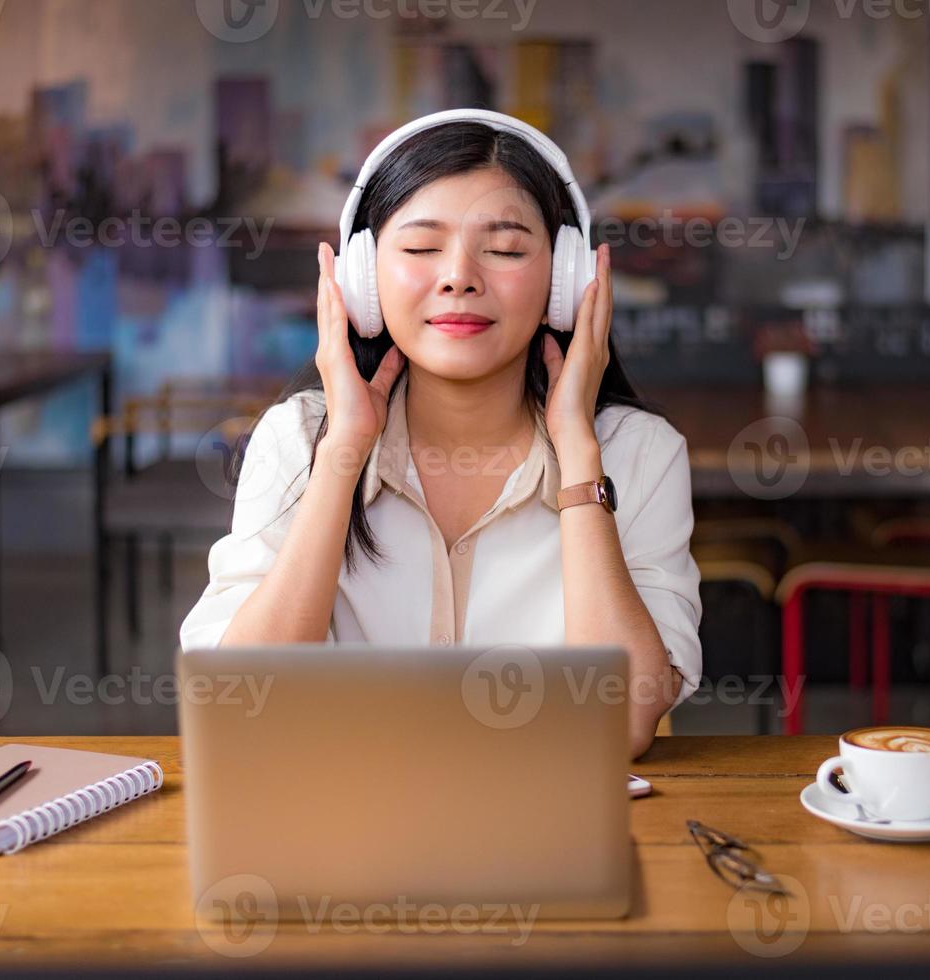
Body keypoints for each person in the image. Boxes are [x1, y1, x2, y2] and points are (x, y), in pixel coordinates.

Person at [180, 112, 701, 756]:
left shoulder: (638, 453)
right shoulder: (297, 441)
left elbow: (620, 725)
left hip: (544, 842)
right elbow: (244, 707)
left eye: (506, 249)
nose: (459, 277)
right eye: (422, 248)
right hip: (343, 839)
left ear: (565, 281)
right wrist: (342, 454)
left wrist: (576, 455)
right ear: (361, 279)